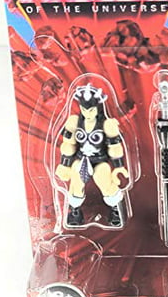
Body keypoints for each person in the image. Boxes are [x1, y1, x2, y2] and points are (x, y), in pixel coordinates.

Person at [55, 83, 129, 226]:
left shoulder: (106, 124)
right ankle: (75, 211)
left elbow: (114, 147)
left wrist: (119, 167)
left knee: (104, 180)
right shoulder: (74, 122)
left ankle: (116, 209)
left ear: (98, 108)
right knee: (76, 182)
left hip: (100, 160)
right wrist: (64, 165)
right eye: (84, 109)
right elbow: (68, 144)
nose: (87, 113)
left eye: (91, 110)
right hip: (81, 159)